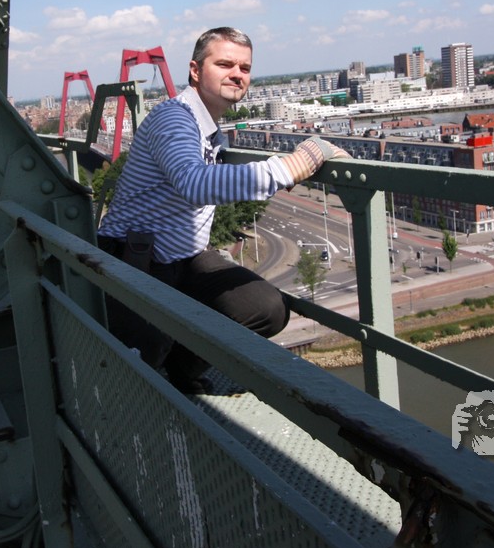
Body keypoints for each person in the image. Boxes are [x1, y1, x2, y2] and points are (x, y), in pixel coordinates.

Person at [96, 27, 347, 392]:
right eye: (225, 64)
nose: (237, 74)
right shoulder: (174, 117)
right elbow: (194, 183)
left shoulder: (209, 129)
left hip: (184, 257)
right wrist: (293, 166)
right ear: (195, 71)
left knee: (266, 309)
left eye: (245, 67)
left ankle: (180, 369)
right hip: (135, 258)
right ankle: (158, 369)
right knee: (141, 359)